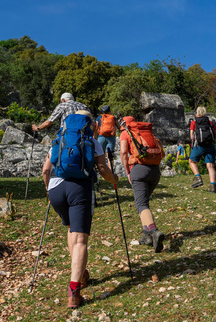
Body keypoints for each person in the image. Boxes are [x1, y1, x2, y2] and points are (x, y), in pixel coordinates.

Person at [42, 110, 119, 308]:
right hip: (80, 189)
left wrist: (48, 191)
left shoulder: (59, 139)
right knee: (81, 240)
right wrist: (114, 180)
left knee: (70, 229)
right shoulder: (92, 142)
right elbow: (103, 170)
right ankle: (74, 292)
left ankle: (81, 272)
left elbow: (45, 170)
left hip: (56, 189)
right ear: (91, 124)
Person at [119, 116, 165, 253]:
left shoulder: (125, 133)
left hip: (138, 170)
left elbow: (123, 152)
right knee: (144, 202)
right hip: (155, 171)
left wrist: (127, 171)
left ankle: (154, 231)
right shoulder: (146, 131)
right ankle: (146, 235)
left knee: (141, 204)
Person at [189, 106, 216, 192]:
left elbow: (192, 137)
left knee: (191, 161)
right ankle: (213, 187)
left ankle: (198, 178)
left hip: (199, 146)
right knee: (210, 166)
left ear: (197, 113)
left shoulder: (194, 123)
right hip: (210, 146)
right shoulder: (209, 122)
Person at [94, 105, 117, 172]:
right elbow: (118, 126)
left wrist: (94, 136)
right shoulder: (113, 117)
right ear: (109, 111)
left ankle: (103, 172)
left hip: (101, 137)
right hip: (111, 138)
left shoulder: (99, 117)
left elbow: (96, 128)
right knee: (110, 156)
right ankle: (111, 172)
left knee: (101, 156)